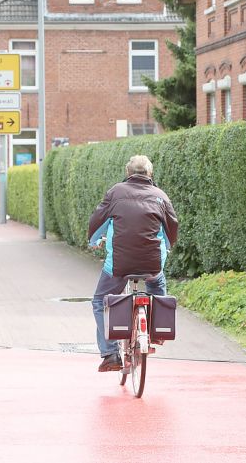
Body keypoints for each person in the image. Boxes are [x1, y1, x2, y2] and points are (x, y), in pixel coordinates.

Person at [87, 155, 178, 372]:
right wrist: (168, 245)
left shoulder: (116, 192)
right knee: (157, 286)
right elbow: (171, 226)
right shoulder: (160, 195)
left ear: (128, 173)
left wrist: (93, 240)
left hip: (120, 264)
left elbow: (98, 218)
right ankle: (157, 331)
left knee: (100, 301)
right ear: (150, 174)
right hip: (152, 262)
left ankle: (110, 354)